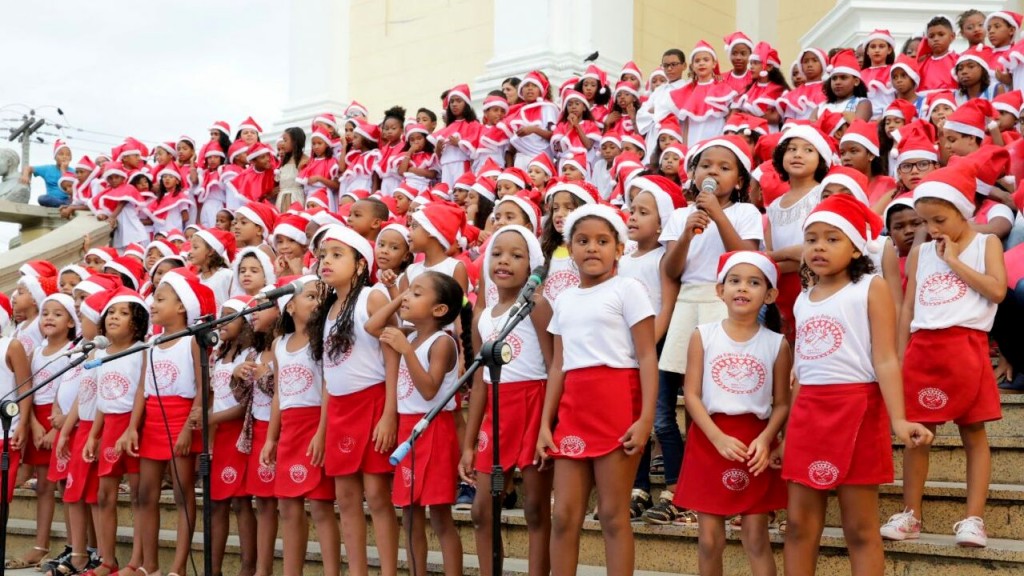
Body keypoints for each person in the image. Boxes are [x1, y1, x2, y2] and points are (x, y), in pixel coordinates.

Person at [781, 194, 933, 575]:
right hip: (808, 414)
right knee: (799, 525)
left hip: (858, 408)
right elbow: (802, 369)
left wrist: (899, 420)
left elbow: (884, 358)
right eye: (812, 238)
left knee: (860, 527)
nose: (819, 246)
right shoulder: (803, 298)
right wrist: (786, 430)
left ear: (854, 248)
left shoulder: (870, 287)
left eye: (832, 238)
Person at [883, 159, 1005, 547]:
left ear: (963, 210)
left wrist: (953, 260)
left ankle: (974, 519)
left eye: (939, 220)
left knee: (974, 433)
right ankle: (911, 514)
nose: (932, 230)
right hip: (925, 349)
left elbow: (997, 291)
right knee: (918, 435)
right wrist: (902, 355)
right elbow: (908, 308)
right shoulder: (921, 253)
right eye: (925, 222)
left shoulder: (987, 243)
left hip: (967, 347)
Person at [536, 203, 657, 576]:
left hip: (617, 403)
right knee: (563, 516)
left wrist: (646, 419)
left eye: (603, 241)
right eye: (583, 241)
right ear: (569, 249)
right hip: (573, 409)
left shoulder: (628, 289)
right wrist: (546, 424)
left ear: (619, 249)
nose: (592, 248)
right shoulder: (565, 299)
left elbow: (647, 356)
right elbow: (557, 365)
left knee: (612, 514)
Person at [656, 137, 763, 523]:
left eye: (723, 167)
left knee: (729, 386)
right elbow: (670, 270)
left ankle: (739, 477)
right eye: (705, 165)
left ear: (738, 180)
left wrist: (718, 215)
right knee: (693, 393)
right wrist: (687, 232)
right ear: (693, 173)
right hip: (689, 301)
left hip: (727, 300)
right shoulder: (678, 215)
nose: (712, 172)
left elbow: (747, 258)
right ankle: (695, 476)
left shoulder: (747, 213)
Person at [677, 251, 791, 576]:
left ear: (769, 295)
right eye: (735, 280)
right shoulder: (704, 335)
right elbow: (692, 395)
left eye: (754, 282)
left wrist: (767, 439)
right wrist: (717, 437)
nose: (742, 288)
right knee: (710, 540)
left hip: (754, 446)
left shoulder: (777, 344)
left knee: (755, 538)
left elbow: (782, 403)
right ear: (720, 290)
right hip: (710, 441)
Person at [460, 226, 554, 576]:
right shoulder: (484, 316)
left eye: (517, 255)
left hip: (532, 403)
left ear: (532, 264)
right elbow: (482, 382)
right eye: (498, 253)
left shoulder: (537, 306)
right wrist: (468, 444)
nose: (504, 261)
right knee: (482, 511)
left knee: (534, 508)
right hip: (496, 414)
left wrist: (547, 423)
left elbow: (552, 365)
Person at [310, 226, 400, 576]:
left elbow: (392, 357)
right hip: (339, 411)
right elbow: (331, 375)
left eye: (336, 254)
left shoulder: (373, 298)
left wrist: (389, 413)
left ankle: (389, 571)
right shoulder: (328, 309)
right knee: (345, 499)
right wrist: (321, 429)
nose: (326, 261)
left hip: (373, 403)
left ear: (361, 265)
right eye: (322, 256)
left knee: (377, 496)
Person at [370, 271, 470, 576]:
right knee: (410, 515)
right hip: (408, 431)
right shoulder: (411, 335)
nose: (407, 298)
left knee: (440, 517)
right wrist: (401, 295)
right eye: (409, 292)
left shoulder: (441, 342)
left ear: (439, 310)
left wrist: (405, 349)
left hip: (435, 429)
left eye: (417, 293)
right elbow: (372, 325)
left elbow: (429, 389)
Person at [259, 275, 341, 576]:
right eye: (310, 297)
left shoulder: (324, 339)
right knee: (288, 508)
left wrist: (322, 432)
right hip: (289, 430)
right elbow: (280, 393)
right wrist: (271, 438)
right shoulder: (279, 344)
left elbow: (327, 387)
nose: (318, 303)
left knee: (320, 507)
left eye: (322, 298)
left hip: (316, 425)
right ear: (290, 305)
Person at [85, 288, 149, 576]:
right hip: (109, 427)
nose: (114, 317)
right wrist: (93, 435)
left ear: (136, 322)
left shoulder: (142, 350)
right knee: (104, 495)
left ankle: (137, 561)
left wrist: (132, 427)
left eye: (123, 313)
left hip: (134, 426)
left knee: (138, 495)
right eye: (111, 312)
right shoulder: (100, 352)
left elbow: (140, 391)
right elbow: (102, 397)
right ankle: (107, 560)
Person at [209, 295, 257, 576]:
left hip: (238, 433)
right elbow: (215, 395)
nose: (222, 320)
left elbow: (244, 405)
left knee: (240, 502)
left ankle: (248, 568)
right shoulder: (218, 354)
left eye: (230, 315)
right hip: (220, 434)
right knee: (217, 503)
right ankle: (213, 569)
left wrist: (211, 418)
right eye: (221, 314)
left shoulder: (248, 355)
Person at [637, 49, 688, 163]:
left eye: (673, 64)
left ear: (684, 66)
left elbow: (679, 112)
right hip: (653, 136)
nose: (669, 69)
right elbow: (641, 114)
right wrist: (661, 112)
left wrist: (655, 111)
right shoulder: (659, 90)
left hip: (675, 136)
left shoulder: (686, 88)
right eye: (665, 65)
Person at [22, 140, 73, 207]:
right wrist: (25, 175)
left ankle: (65, 205)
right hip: (52, 199)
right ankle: (63, 205)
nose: (64, 157)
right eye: (61, 154)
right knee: (42, 198)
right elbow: (28, 168)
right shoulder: (48, 169)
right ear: (55, 157)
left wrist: (63, 170)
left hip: (67, 199)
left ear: (70, 158)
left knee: (74, 201)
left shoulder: (74, 171)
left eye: (67, 155)